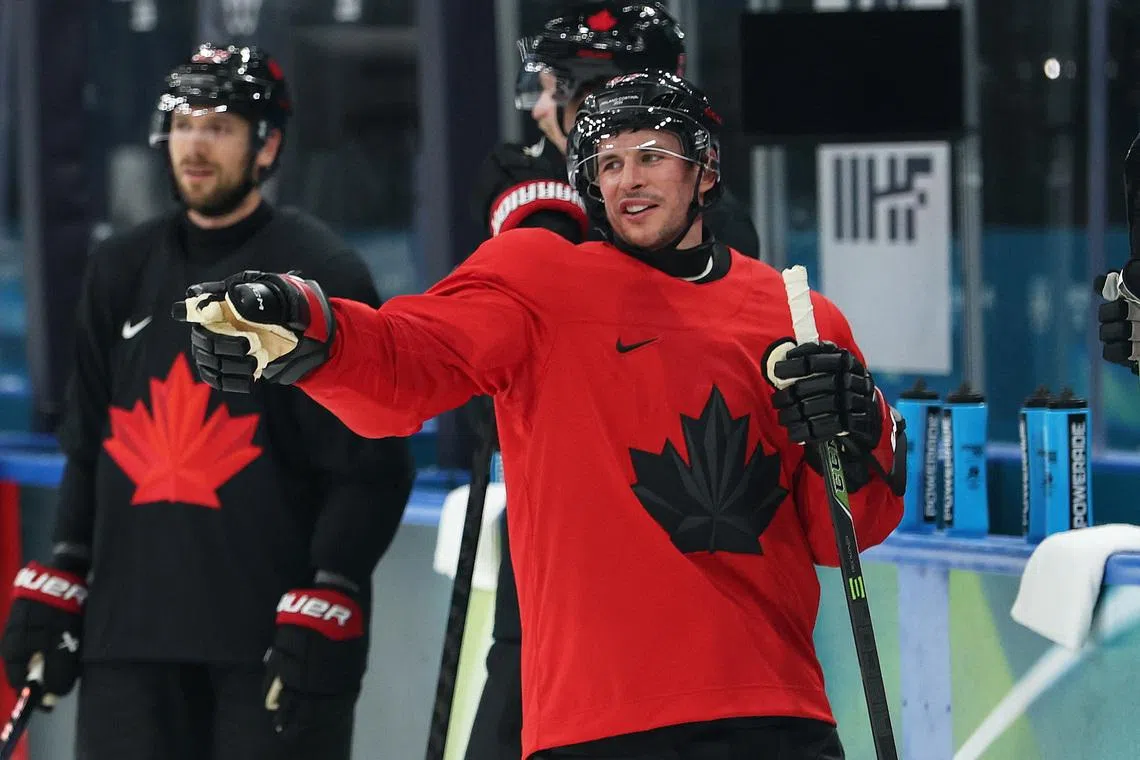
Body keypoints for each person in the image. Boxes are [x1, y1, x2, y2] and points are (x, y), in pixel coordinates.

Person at [176, 71, 906, 760]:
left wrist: (860, 421)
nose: (629, 179)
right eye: (608, 163)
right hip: (598, 719)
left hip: (773, 710)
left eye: (651, 155)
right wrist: (306, 322)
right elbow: (406, 361)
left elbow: (847, 526)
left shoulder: (797, 316)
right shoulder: (539, 280)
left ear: (705, 172)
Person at [0, 43, 415, 760]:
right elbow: (89, 440)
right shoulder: (119, 268)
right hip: (128, 642)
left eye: (220, 127)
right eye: (186, 124)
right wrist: (63, 565)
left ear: (268, 145)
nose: (195, 144)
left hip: (267, 643)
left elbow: (371, 462)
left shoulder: (320, 272)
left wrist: (336, 582)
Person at [469, 6, 760, 754]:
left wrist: (551, 227)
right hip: (556, 584)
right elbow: (480, 402)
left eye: (556, 88)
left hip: (680, 604)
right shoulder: (546, 199)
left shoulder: (709, 237)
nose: (539, 108)